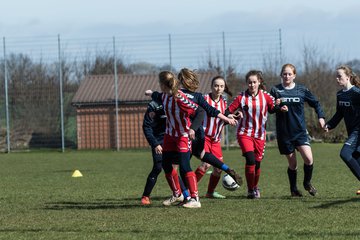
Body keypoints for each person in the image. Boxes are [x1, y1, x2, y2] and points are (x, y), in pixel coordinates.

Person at [148, 68, 243, 189]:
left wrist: (152, 93)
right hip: (199, 133)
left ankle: (186, 194)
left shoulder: (177, 95)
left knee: (180, 166)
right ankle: (226, 169)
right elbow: (210, 110)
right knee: (201, 155)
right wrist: (226, 118)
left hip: (186, 133)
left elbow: (160, 95)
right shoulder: (197, 96)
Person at [146, 70, 204, 208]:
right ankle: (177, 194)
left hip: (183, 135)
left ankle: (195, 199)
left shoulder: (180, 97)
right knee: (165, 165)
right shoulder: (165, 95)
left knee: (184, 166)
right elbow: (158, 96)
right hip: (170, 135)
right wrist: (150, 93)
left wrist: (193, 128)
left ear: (163, 84)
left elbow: (200, 111)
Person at [270, 63, 326, 197]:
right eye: (284, 74)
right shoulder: (275, 90)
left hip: (300, 131)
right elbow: (269, 109)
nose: (287, 76)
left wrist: (321, 117)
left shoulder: (301, 90)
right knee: (293, 164)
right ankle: (294, 189)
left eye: (289, 74)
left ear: (294, 75)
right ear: (281, 75)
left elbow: (316, 103)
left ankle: (307, 183)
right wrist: (277, 107)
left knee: (308, 159)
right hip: (284, 133)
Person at [224, 70, 281, 199]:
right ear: (246, 83)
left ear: (259, 82)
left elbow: (272, 109)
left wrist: (280, 107)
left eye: (254, 82)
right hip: (244, 133)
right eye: (249, 82)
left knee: (257, 163)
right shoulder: (241, 97)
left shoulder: (265, 96)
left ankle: (255, 187)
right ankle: (250, 190)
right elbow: (228, 110)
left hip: (260, 135)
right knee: (250, 160)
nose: (252, 85)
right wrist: (231, 115)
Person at [141, 98, 190, 205]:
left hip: (176, 138)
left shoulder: (179, 101)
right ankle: (145, 196)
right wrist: (155, 143)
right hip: (159, 140)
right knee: (158, 167)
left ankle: (183, 195)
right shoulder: (154, 105)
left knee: (175, 169)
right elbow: (146, 126)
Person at [194, 76, 233, 199]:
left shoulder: (223, 101)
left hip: (216, 140)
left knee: (218, 169)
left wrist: (231, 116)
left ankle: (210, 193)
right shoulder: (204, 99)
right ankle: (189, 189)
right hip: (204, 137)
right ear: (211, 86)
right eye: (216, 85)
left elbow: (224, 116)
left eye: (221, 86)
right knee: (205, 165)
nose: (218, 88)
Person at [324, 65, 360, 195]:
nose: (337, 78)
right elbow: (339, 114)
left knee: (345, 153)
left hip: (358, 131)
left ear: (348, 77)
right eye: (336, 76)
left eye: (339, 76)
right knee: (355, 157)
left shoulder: (357, 93)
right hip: (352, 131)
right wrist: (329, 124)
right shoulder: (340, 95)